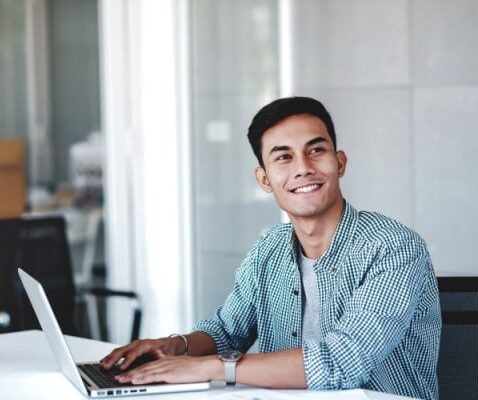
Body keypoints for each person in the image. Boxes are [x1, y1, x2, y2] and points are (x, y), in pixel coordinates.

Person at [101, 97, 441, 400]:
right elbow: (225, 331)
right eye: (283, 157)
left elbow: (341, 362)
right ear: (264, 179)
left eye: (316, 150)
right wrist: (177, 347)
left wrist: (211, 368)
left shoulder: (394, 247)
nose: (303, 168)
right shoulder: (270, 247)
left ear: (340, 162)